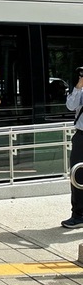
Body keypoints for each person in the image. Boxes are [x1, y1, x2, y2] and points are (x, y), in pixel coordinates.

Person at [62, 66, 83, 228]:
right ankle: (78, 214)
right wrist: (78, 86)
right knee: (77, 174)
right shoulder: (80, 90)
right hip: (81, 136)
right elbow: (70, 106)